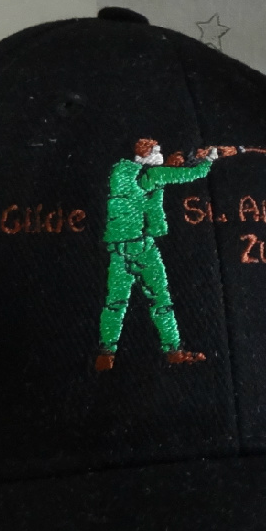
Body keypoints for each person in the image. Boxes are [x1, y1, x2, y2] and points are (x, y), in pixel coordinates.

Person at [95, 138, 231, 370]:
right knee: (160, 300)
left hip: (118, 248)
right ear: (148, 155)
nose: (164, 155)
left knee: (114, 303)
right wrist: (211, 158)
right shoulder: (152, 175)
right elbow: (189, 175)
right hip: (142, 247)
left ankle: (106, 353)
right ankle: (172, 350)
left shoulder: (120, 172)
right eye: (157, 151)